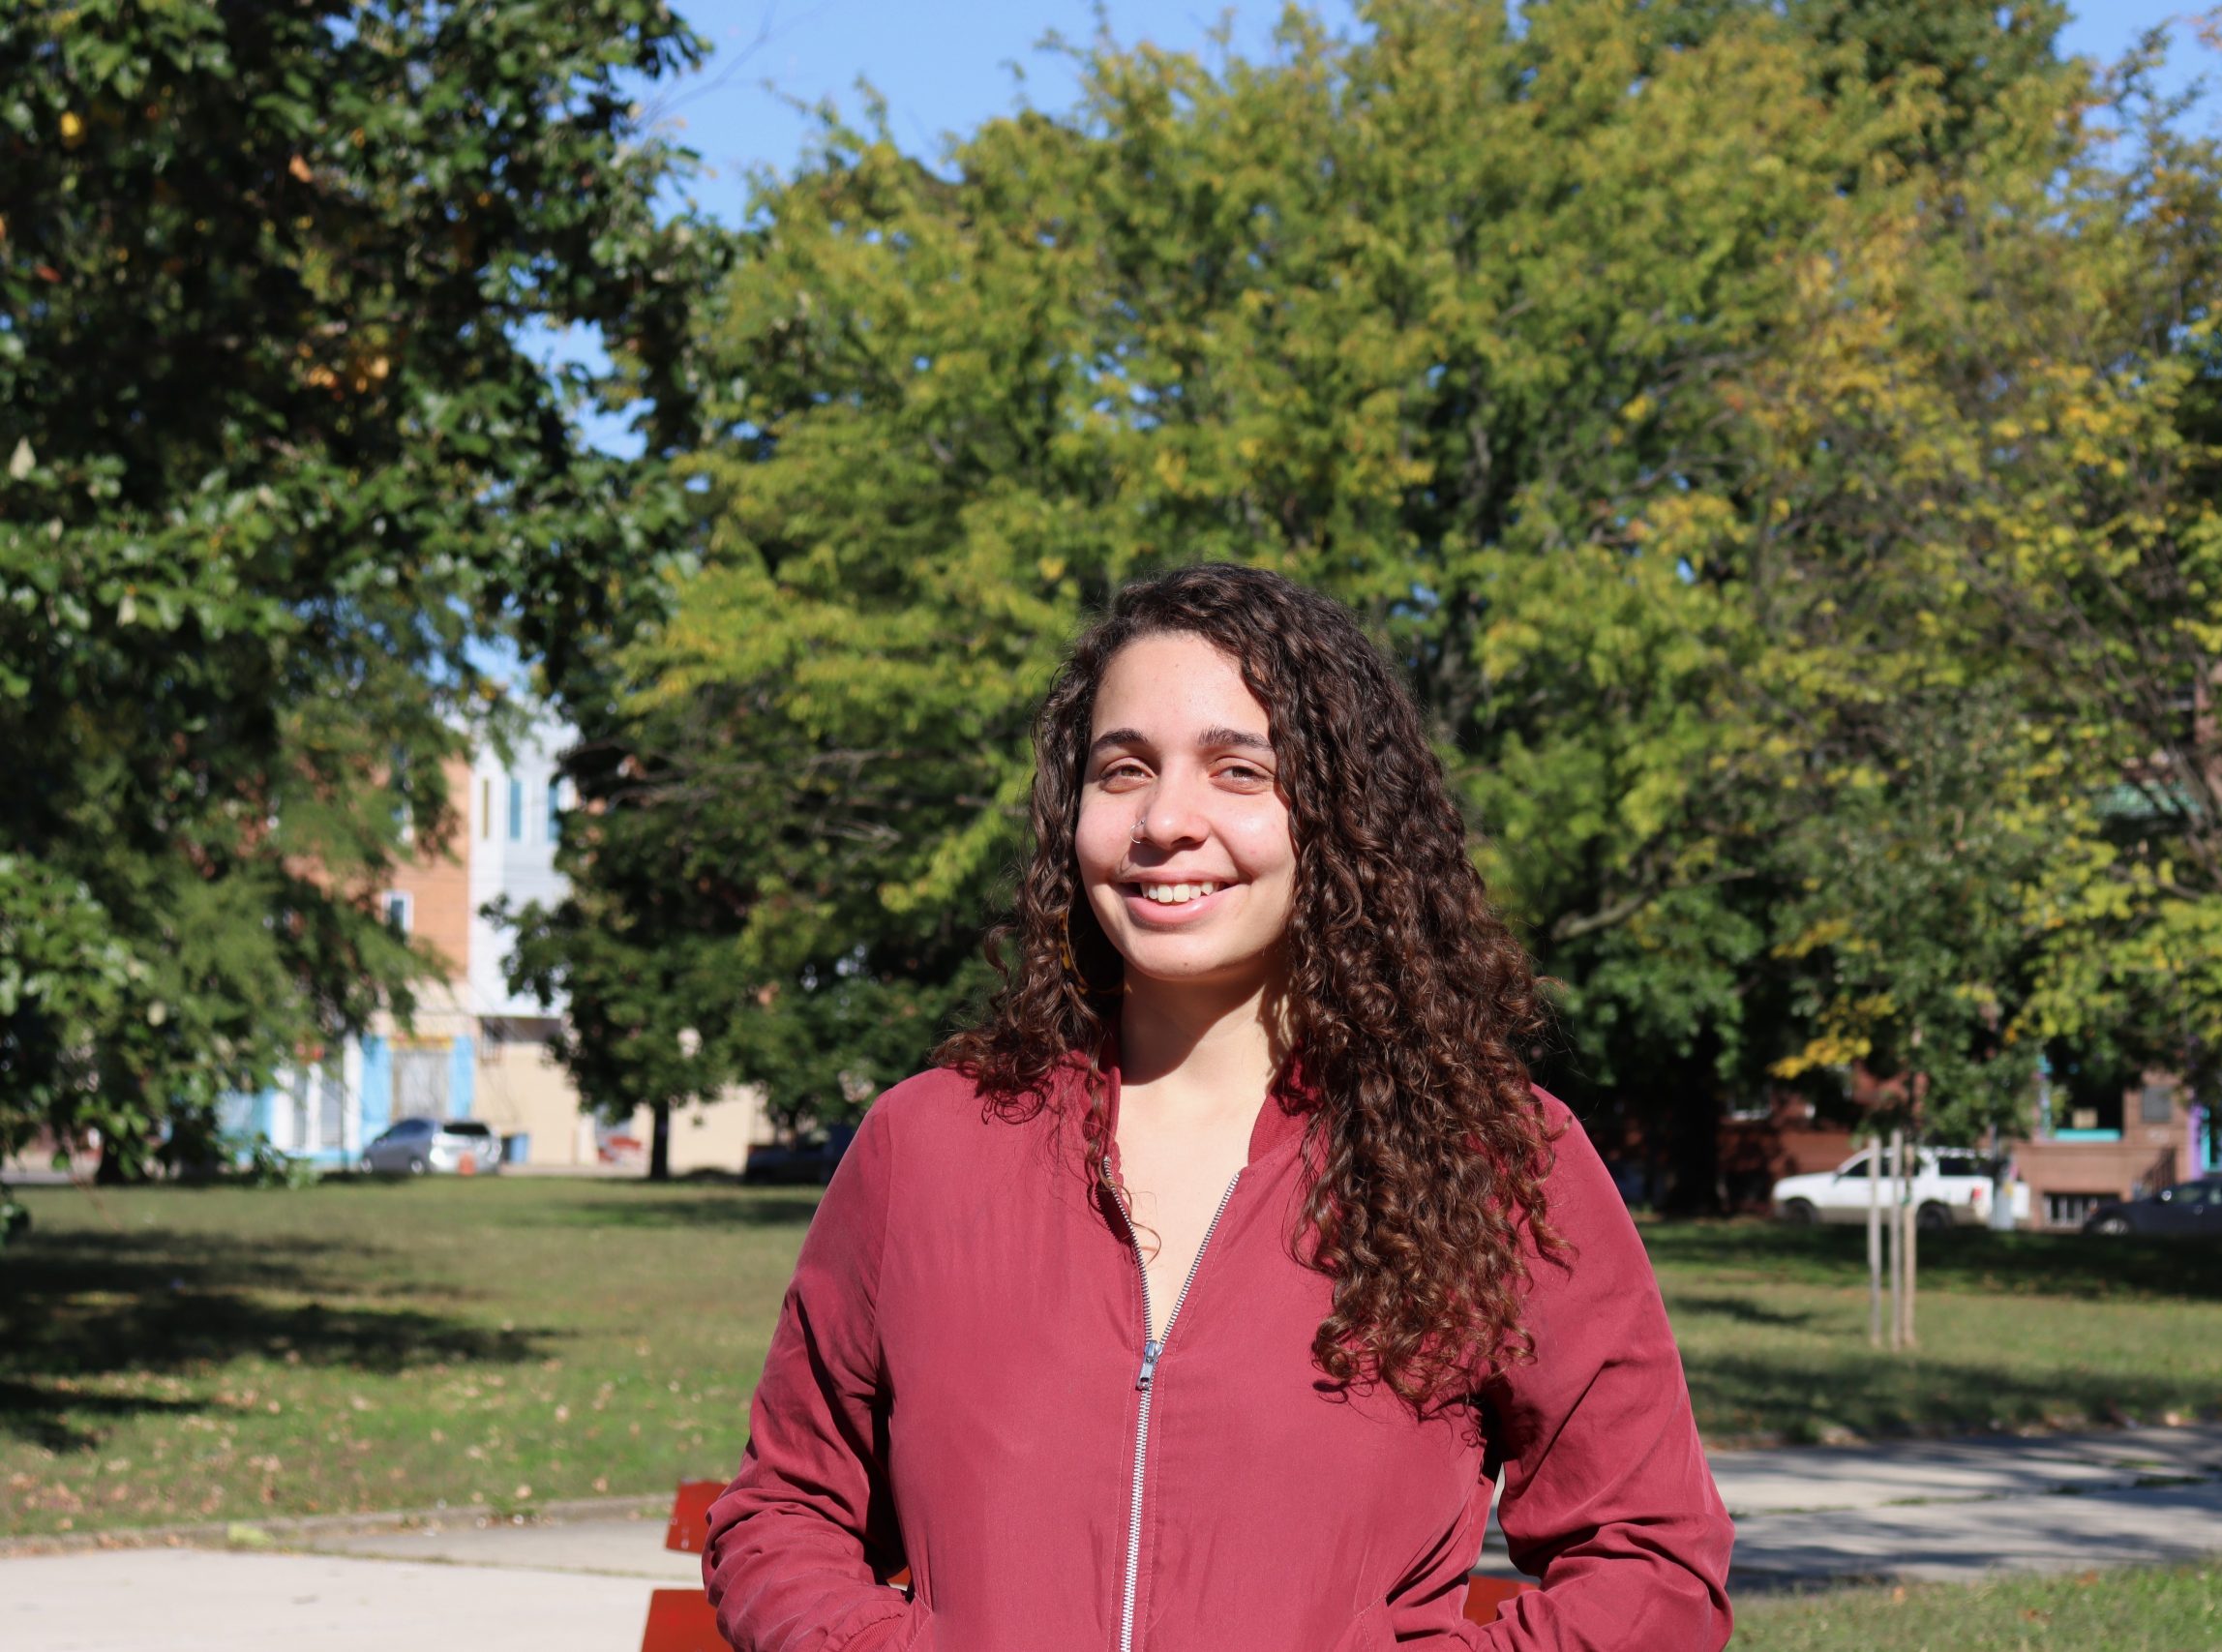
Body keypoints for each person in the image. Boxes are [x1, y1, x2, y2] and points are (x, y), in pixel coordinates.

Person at [705, 564, 1733, 1651]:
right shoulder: (927, 1146)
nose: (1163, 821)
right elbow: (783, 1515)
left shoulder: (1492, 1161)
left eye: (1238, 770)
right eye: (1123, 770)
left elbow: (1653, 1566)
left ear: (1339, 815)